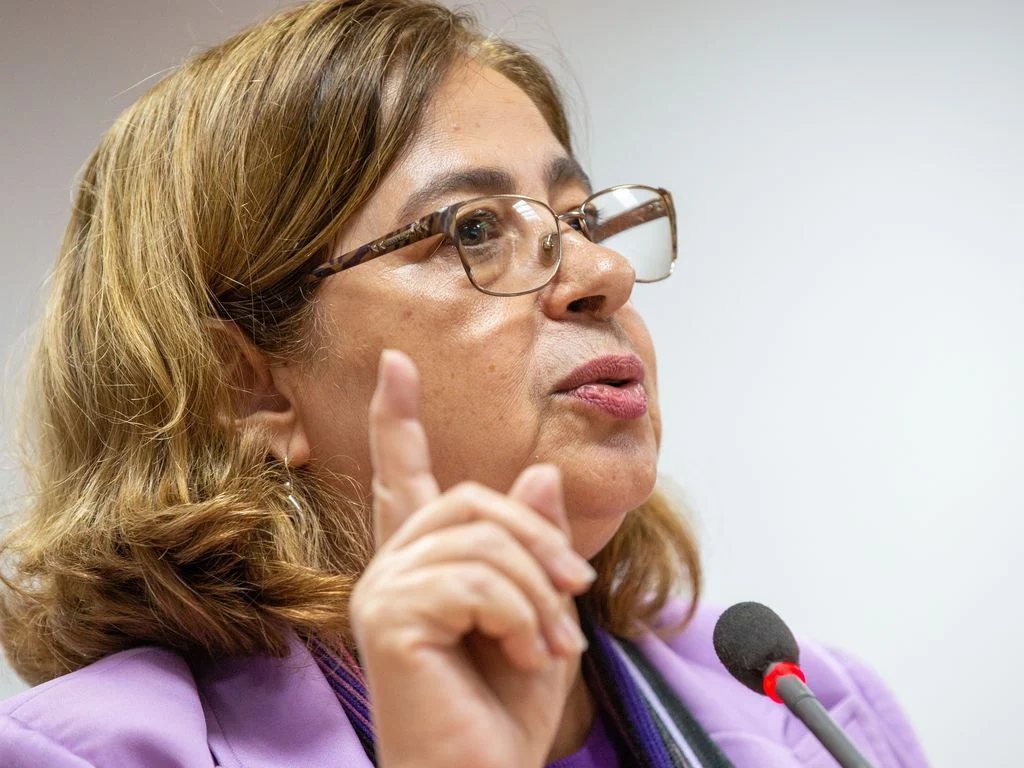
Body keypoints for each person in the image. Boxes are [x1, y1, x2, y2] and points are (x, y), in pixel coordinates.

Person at [0, 1, 929, 766]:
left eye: (580, 221)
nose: (604, 273)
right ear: (248, 388)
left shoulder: (806, 715)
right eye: (475, 229)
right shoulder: (83, 756)